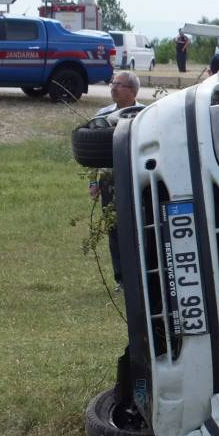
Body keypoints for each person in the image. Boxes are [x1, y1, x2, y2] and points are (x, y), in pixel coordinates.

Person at [87, 71, 143, 287]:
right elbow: (93, 151)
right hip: (110, 179)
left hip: (137, 178)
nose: (113, 87)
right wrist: (93, 182)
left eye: (118, 84)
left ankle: (141, 275)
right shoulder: (102, 115)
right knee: (114, 228)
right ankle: (121, 278)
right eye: (112, 83)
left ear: (132, 91)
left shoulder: (144, 114)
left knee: (138, 226)